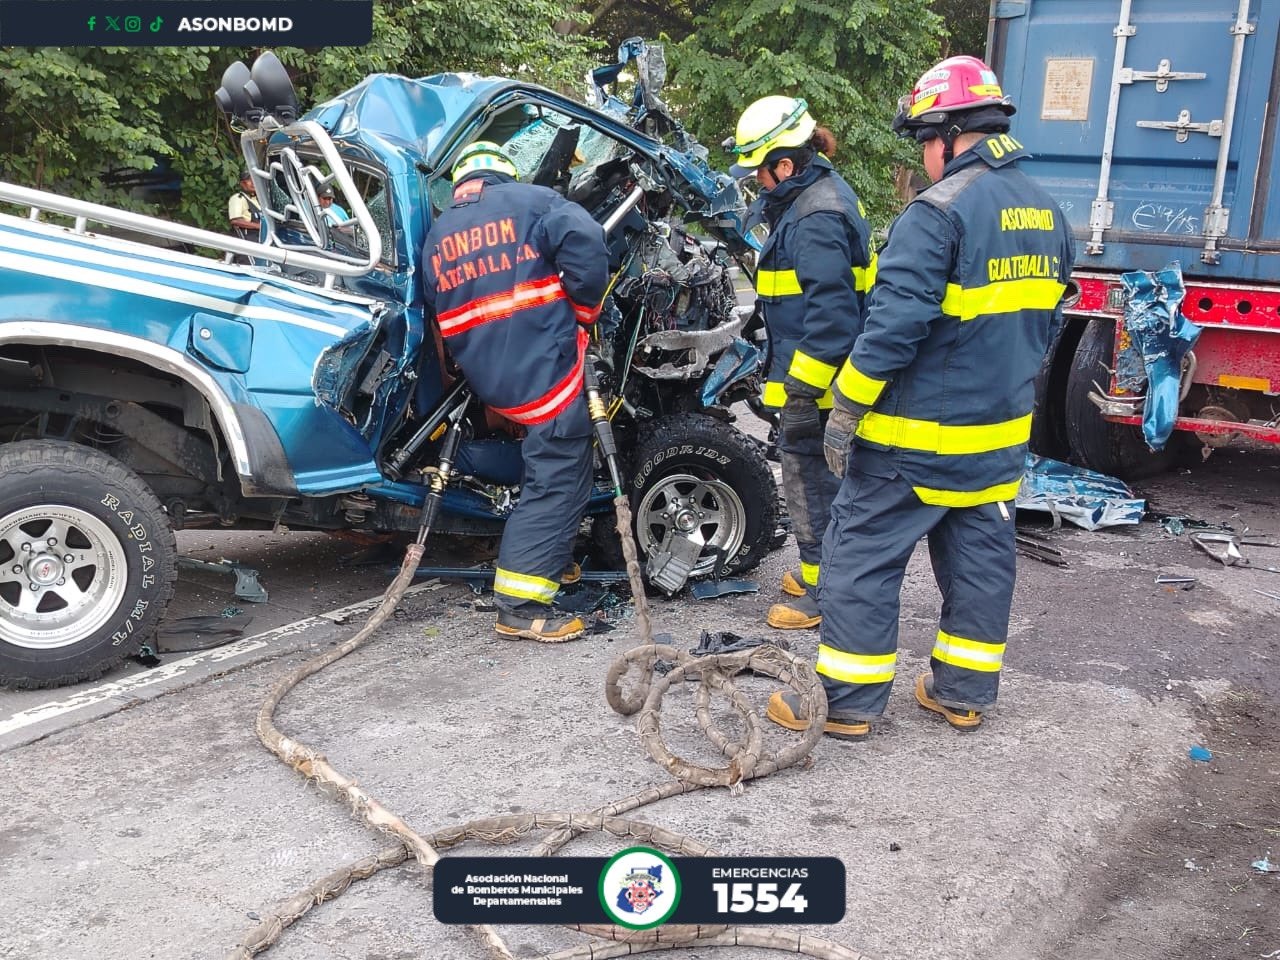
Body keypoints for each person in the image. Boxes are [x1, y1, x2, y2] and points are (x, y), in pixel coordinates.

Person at [766, 55, 1075, 740]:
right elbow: (1047, 326)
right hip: (996, 441)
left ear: (948, 133)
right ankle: (961, 691)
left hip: (914, 442)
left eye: (922, 142)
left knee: (858, 557)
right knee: (980, 560)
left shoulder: (938, 215)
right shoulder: (1047, 212)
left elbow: (890, 330)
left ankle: (845, 702)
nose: (923, 157)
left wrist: (844, 410)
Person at [421, 141, 608, 642]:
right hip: (545, 367)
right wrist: (585, 312)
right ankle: (521, 604)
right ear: (505, 173)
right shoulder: (535, 202)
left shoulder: (437, 235)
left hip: (493, 381)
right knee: (561, 471)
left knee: (551, 465)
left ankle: (552, 560)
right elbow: (587, 241)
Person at [726, 96, 873, 630]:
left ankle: (825, 592)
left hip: (821, 387)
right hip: (819, 379)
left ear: (785, 165)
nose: (756, 184)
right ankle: (819, 573)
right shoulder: (813, 200)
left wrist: (802, 395)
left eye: (759, 172)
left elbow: (833, 320)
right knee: (817, 484)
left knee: (814, 485)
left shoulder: (814, 218)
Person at [227, 169, 261, 241]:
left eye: (254, 179)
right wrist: (259, 226)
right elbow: (236, 221)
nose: (253, 182)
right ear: (242, 183)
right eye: (249, 180)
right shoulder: (237, 198)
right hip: (247, 241)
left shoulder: (259, 199)